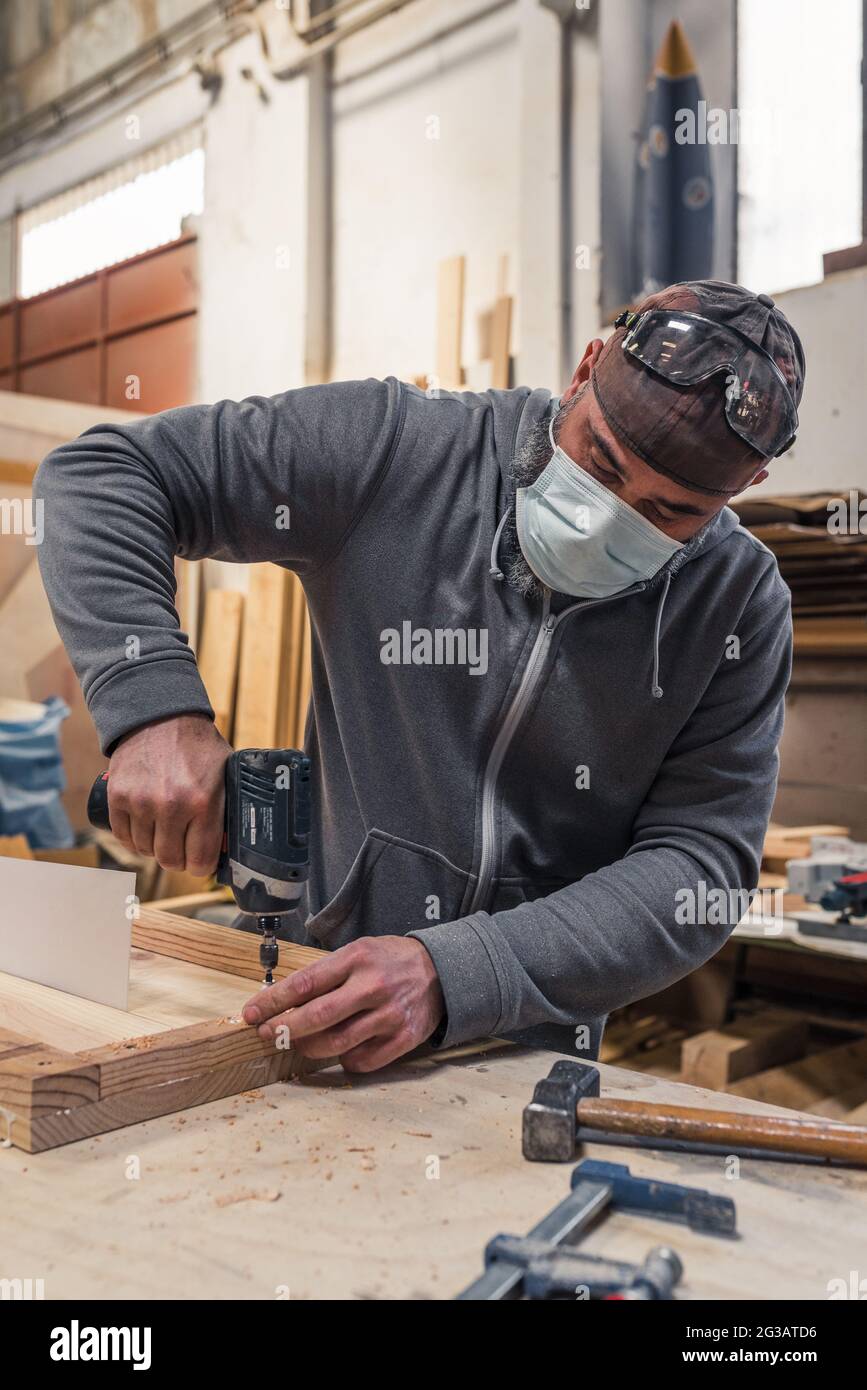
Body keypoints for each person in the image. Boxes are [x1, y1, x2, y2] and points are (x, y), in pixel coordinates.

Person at [34, 279, 804, 1071]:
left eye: (668, 512)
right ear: (584, 370)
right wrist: (155, 711)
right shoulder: (397, 451)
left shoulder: (735, 605)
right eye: (599, 462)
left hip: (517, 1045)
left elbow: (696, 866)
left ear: (743, 489)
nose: (609, 515)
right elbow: (100, 479)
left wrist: (456, 972)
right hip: (305, 994)